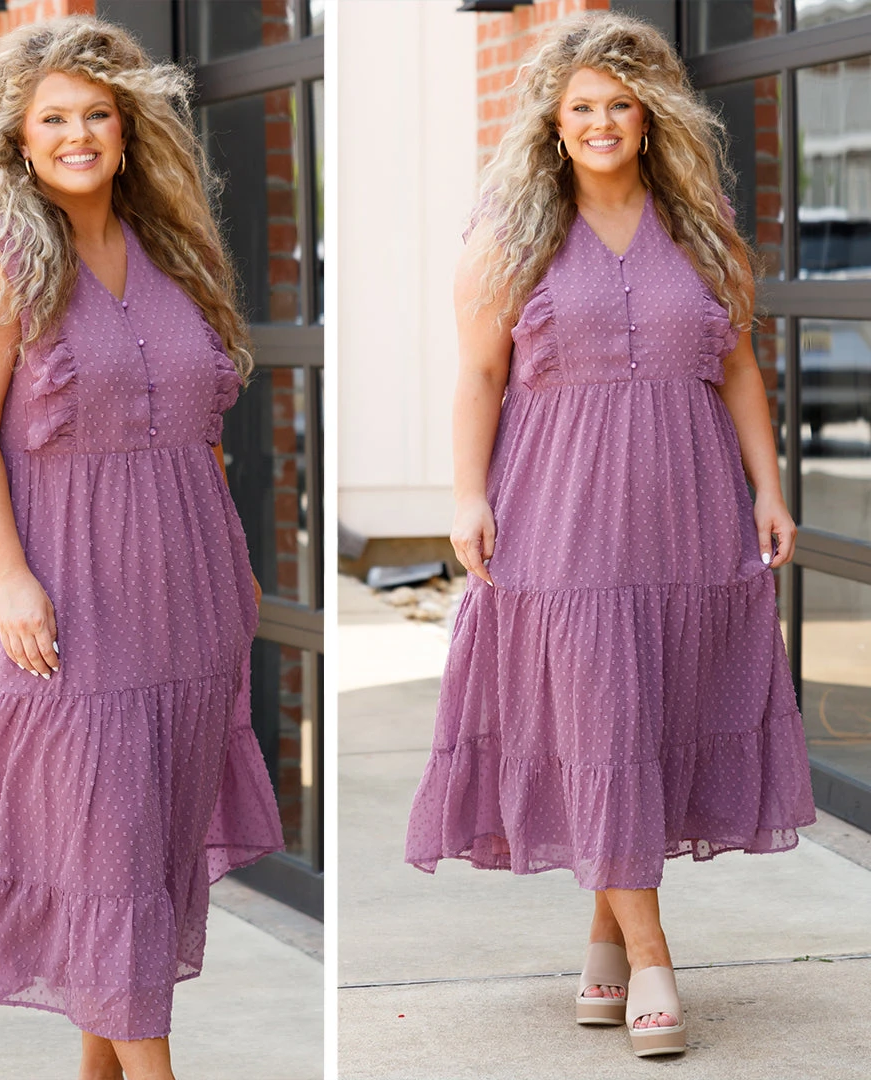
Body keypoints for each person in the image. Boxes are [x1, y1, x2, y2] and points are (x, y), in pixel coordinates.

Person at [404, 11, 815, 1059]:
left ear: (650, 115)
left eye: (619, 104)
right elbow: (479, 374)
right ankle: (655, 957)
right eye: (580, 105)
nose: (600, 122)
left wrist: (769, 489)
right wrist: (466, 496)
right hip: (561, 510)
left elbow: (738, 366)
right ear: (553, 119)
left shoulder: (703, 226)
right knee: (600, 724)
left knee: (649, 720)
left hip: (688, 508)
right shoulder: (512, 232)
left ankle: (604, 943)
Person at [0, 17, 284, 1080]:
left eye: (97, 117)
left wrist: (234, 566)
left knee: (132, 853)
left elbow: (200, 429)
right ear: (19, 139)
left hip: (180, 596)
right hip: (58, 597)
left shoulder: (170, 252)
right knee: (104, 848)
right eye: (54, 120)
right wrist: (11, 581)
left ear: (127, 132)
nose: (78, 136)